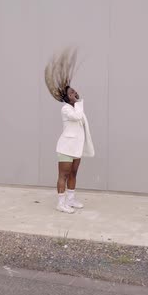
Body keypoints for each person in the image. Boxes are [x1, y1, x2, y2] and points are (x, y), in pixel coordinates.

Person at [45, 49, 95, 214]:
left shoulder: (74, 107)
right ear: (66, 97)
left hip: (76, 147)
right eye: (71, 92)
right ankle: (61, 203)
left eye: (74, 91)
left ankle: (71, 199)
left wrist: (78, 101)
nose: (74, 93)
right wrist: (78, 102)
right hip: (66, 147)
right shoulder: (66, 109)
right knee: (63, 175)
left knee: (73, 173)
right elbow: (77, 116)